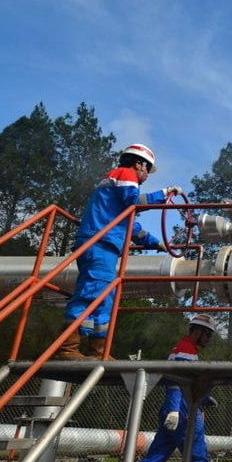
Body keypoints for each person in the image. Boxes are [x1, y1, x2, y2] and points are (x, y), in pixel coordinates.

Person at [54, 143, 183, 360]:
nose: (146, 176)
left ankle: (99, 350)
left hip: (104, 243)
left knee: (105, 296)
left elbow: (129, 224)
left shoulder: (118, 188)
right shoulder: (124, 174)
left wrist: (155, 243)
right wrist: (164, 193)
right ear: (138, 163)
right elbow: (134, 203)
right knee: (90, 292)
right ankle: (67, 348)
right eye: (147, 169)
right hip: (99, 242)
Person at [98, 314, 231, 462]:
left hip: (177, 410)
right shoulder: (187, 350)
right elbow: (176, 380)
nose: (209, 339)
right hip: (184, 414)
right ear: (198, 332)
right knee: (197, 460)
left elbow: (188, 381)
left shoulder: (184, 348)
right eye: (208, 334)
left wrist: (204, 398)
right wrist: (175, 409)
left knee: (152, 460)